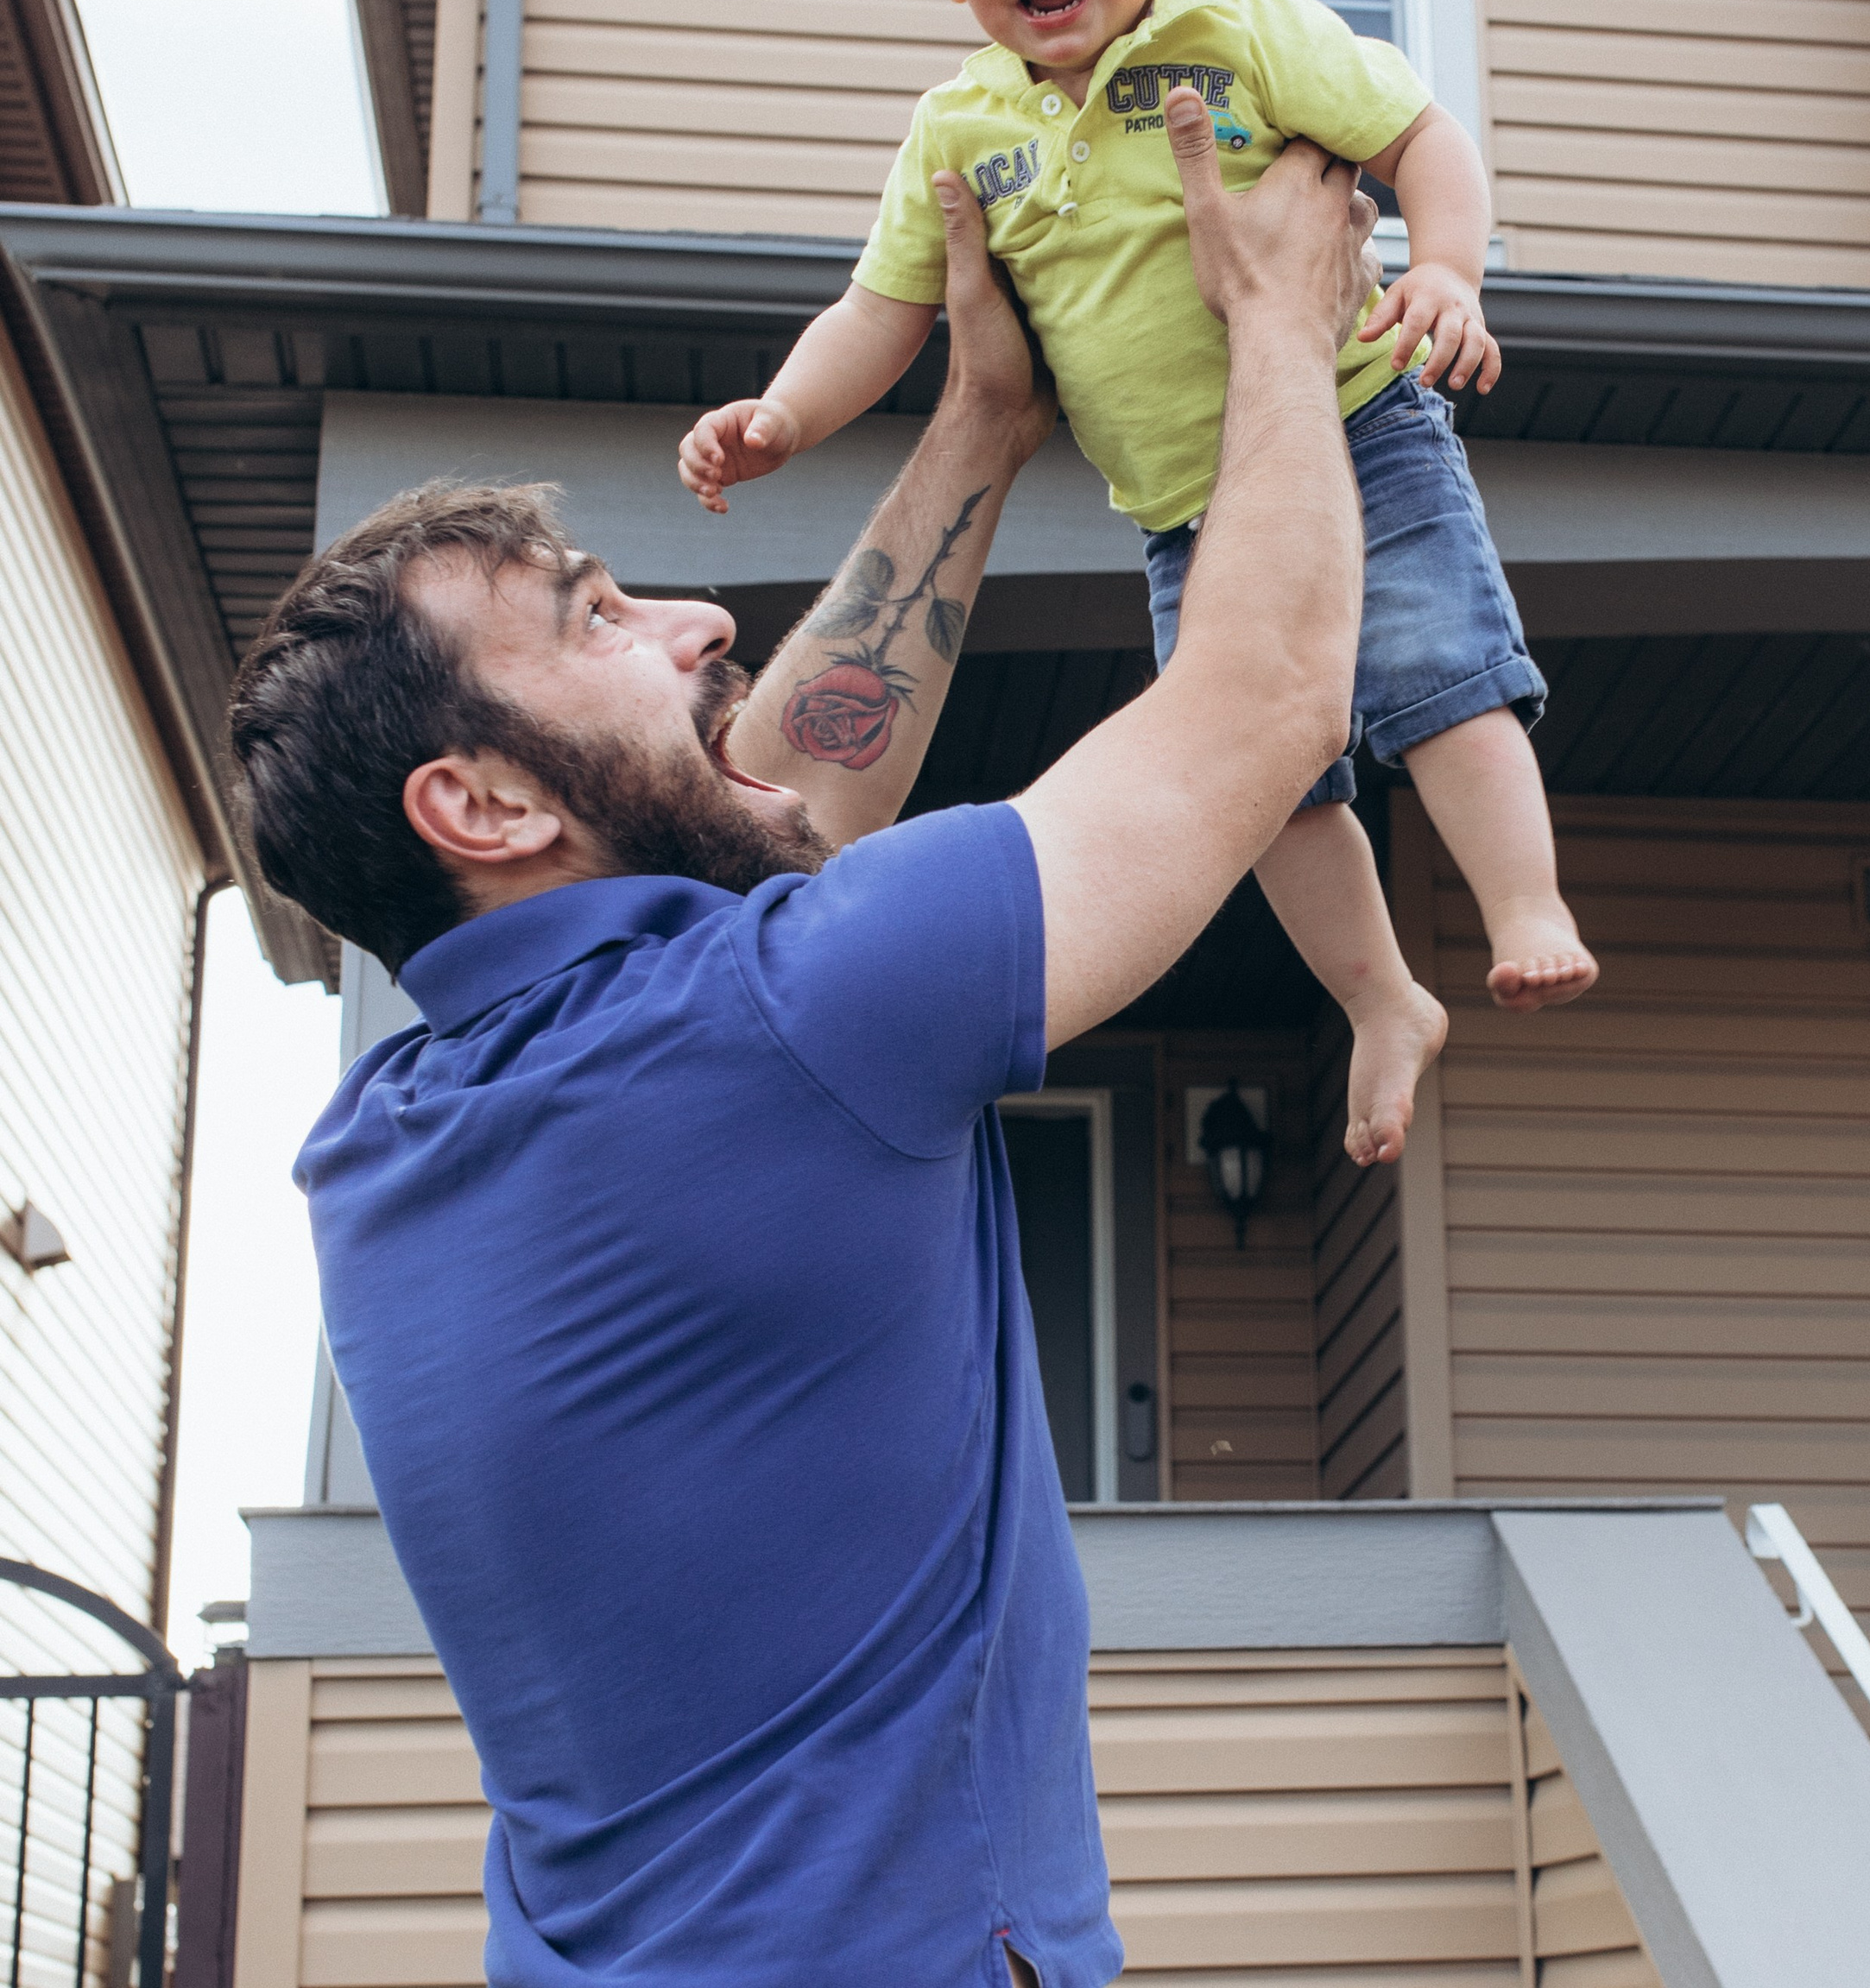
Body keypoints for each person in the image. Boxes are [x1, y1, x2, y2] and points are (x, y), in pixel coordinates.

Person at [231, 102, 1378, 1988]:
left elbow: (775, 803)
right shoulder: (773, 1018)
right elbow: (1265, 694)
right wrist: (1271, 313)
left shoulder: (394, 1134)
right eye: (596, 616)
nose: (696, 620)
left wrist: (980, 424)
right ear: (487, 806)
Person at [679, 0, 1595, 1169]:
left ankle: (1525, 905)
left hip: (1361, 426)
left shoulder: (1238, 28)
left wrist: (1447, 270)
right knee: (1260, 777)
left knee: (1445, 675)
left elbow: (1423, 135)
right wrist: (785, 415)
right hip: (1186, 506)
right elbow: (882, 309)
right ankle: (1379, 998)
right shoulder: (958, 131)